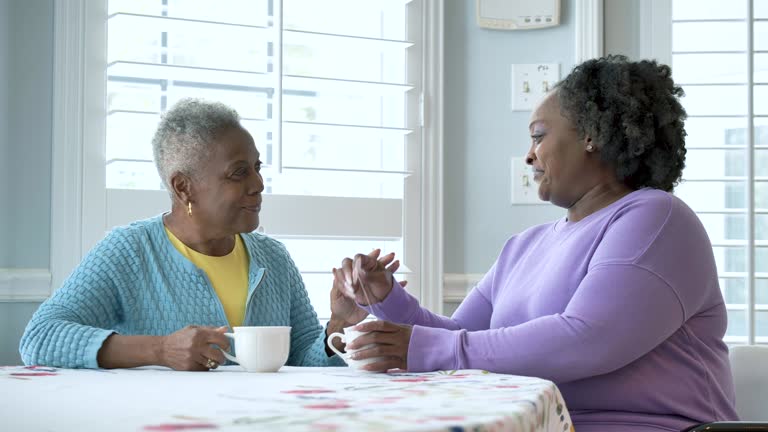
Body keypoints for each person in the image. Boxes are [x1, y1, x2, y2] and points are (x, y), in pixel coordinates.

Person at [333, 56, 739, 431]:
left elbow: (588, 339)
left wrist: (429, 348)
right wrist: (386, 299)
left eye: (539, 136)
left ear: (592, 135)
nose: (529, 156)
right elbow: (460, 336)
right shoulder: (524, 246)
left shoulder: (657, 217)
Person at [19, 98, 390, 371]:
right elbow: (40, 338)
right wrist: (160, 350)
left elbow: (302, 361)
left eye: (257, 168)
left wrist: (337, 327)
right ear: (184, 188)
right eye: (238, 172)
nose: (258, 183)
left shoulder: (273, 258)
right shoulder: (129, 251)